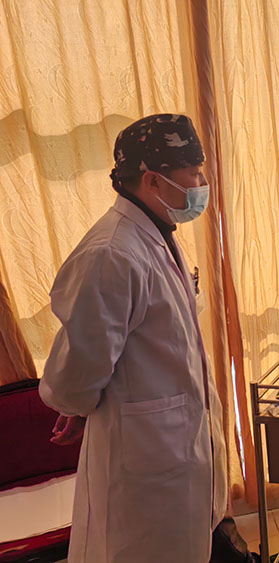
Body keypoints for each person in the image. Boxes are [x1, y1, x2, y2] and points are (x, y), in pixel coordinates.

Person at [40, 114, 228, 562]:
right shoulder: (110, 253)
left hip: (171, 449)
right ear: (153, 180)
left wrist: (81, 402)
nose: (202, 184)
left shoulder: (157, 234)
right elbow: (75, 375)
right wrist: (76, 405)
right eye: (194, 173)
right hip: (145, 465)